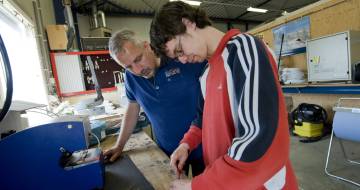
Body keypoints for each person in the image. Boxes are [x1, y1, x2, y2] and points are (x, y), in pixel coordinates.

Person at [150, 1, 298, 190]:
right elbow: (201, 119)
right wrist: (186, 144)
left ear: (188, 23)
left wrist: (198, 185)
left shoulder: (244, 49)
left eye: (179, 50)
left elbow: (258, 137)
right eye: (176, 57)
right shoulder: (206, 74)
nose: (183, 60)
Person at [104, 29, 205, 176]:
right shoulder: (131, 78)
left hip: (204, 148)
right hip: (168, 153)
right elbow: (133, 107)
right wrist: (119, 145)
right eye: (129, 67)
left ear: (147, 46)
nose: (138, 70)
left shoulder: (184, 59)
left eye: (138, 59)